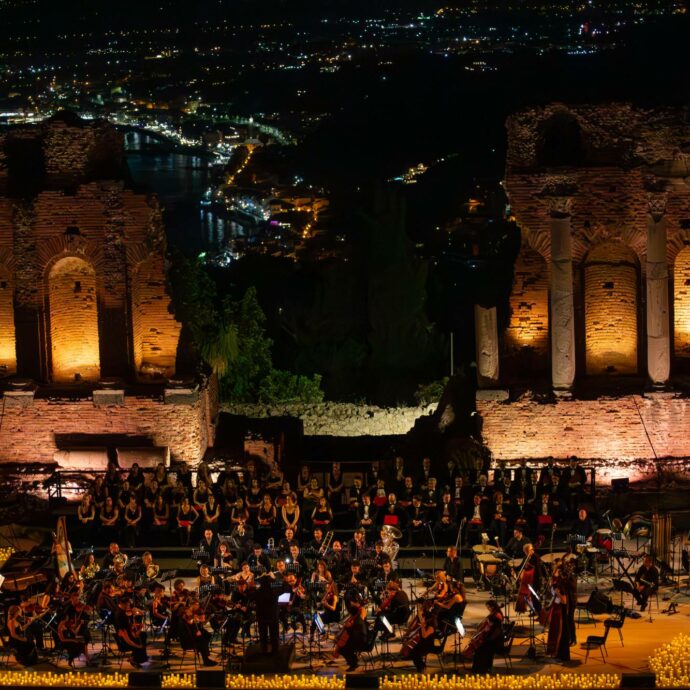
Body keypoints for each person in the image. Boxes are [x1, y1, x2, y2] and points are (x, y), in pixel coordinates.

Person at [334, 594, 368, 672]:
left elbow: (354, 635)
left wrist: (348, 629)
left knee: (342, 648)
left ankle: (353, 663)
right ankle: (353, 660)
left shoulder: (358, 620)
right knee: (343, 645)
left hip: (361, 640)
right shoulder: (357, 618)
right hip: (359, 637)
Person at [468, 599, 504, 673]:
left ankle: (480, 669)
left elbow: (495, 632)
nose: (488, 609)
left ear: (493, 607)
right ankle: (481, 668)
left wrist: (486, 637)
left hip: (495, 641)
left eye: (489, 607)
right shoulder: (494, 615)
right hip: (492, 639)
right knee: (478, 649)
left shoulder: (497, 616)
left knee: (479, 650)